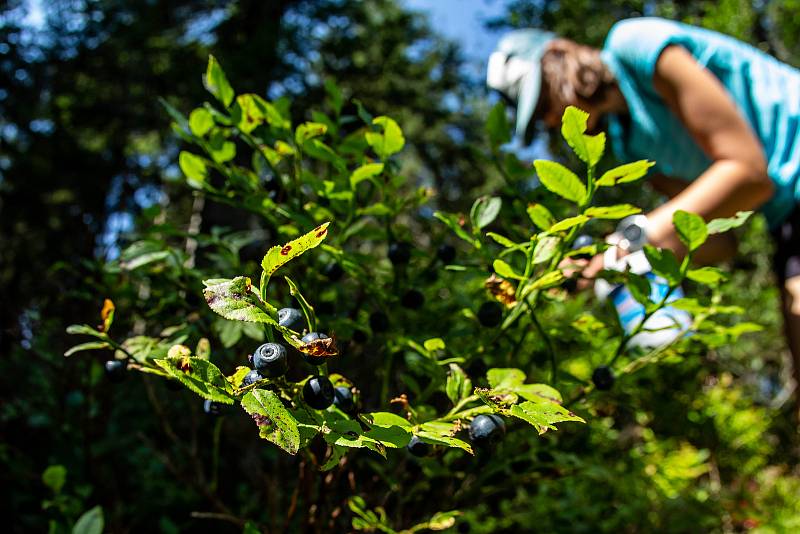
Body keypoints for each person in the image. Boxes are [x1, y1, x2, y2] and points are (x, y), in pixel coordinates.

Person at [487, 17, 800, 412]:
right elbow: (719, 240)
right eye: (540, 117)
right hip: (787, 211)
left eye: (544, 98)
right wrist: (619, 262)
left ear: (558, 57)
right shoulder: (628, 148)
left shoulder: (636, 45)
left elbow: (749, 174)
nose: (550, 119)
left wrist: (631, 239)